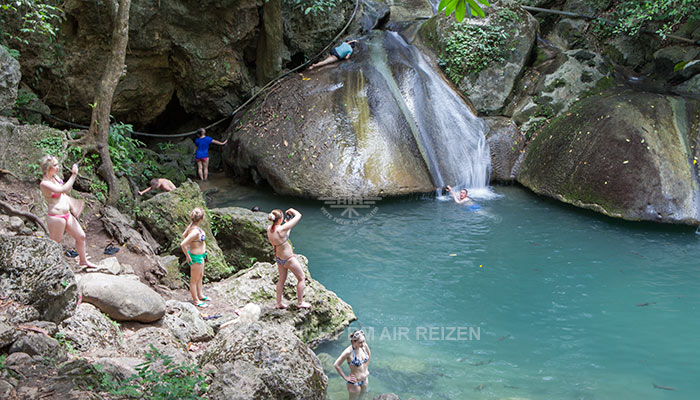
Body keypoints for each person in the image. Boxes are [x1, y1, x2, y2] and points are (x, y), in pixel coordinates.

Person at [39, 155, 96, 268]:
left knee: (81, 236)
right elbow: (62, 189)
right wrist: (74, 175)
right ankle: (51, 266)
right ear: (47, 168)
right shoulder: (44, 183)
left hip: (67, 214)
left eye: (57, 164)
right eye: (55, 165)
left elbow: (64, 192)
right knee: (55, 243)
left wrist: (73, 203)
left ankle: (83, 261)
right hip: (56, 217)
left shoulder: (55, 178)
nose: (57, 167)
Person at [267, 208, 311, 309]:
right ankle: (300, 303)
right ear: (280, 218)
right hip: (288, 259)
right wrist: (292, 210)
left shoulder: (270, 229)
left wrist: (287, 226)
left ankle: (279, 303)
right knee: (301, 278)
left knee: (281, 281)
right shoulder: (282, 229)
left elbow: (283, 236)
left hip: (279, 258)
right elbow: (298, 215)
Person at [180, 208, 210, 308]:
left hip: (201, 255)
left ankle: (200, 295)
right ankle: (196, 300)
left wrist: (191, 224)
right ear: (202, 218)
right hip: (195, 257)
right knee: (194, 280)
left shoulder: (194, 227)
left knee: (200, 276)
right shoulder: (195, 232)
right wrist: (188, 257)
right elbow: (183, 244)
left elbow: (184, 235)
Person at [334, 329, 371, 399]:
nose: (363, 344)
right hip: (354, 382)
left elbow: (369, 354)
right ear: (354, 341)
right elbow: (336, 365)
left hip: (365, 379)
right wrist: (346, 378)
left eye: (364, 341)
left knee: (361, 398)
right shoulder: (348, 352)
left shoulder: (364, 346)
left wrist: (366, 366)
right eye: (360, 342)